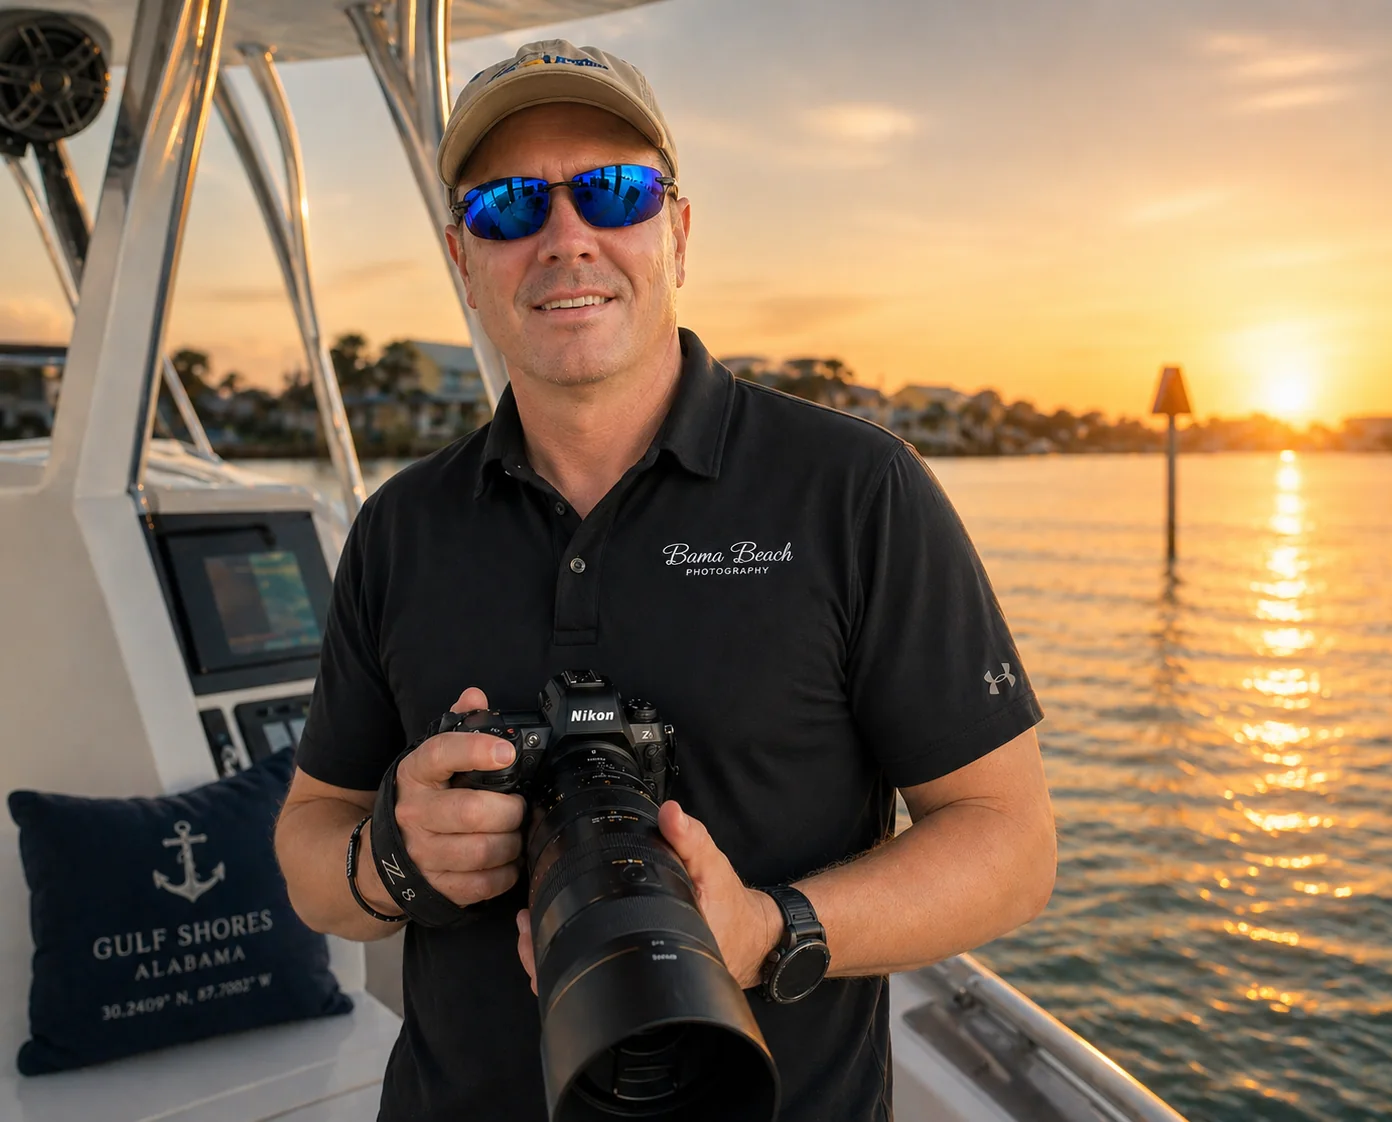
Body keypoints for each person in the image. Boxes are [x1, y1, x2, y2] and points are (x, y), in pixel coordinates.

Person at [276, 39, 1057, 1122]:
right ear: (464, 257)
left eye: (613, 192)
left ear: (676, 231)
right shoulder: (401, 528)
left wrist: (768, 929)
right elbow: (312, 840)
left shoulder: (854, 490)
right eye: (510, 208)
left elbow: (1011, 844)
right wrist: (395, 860)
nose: (567, 239)